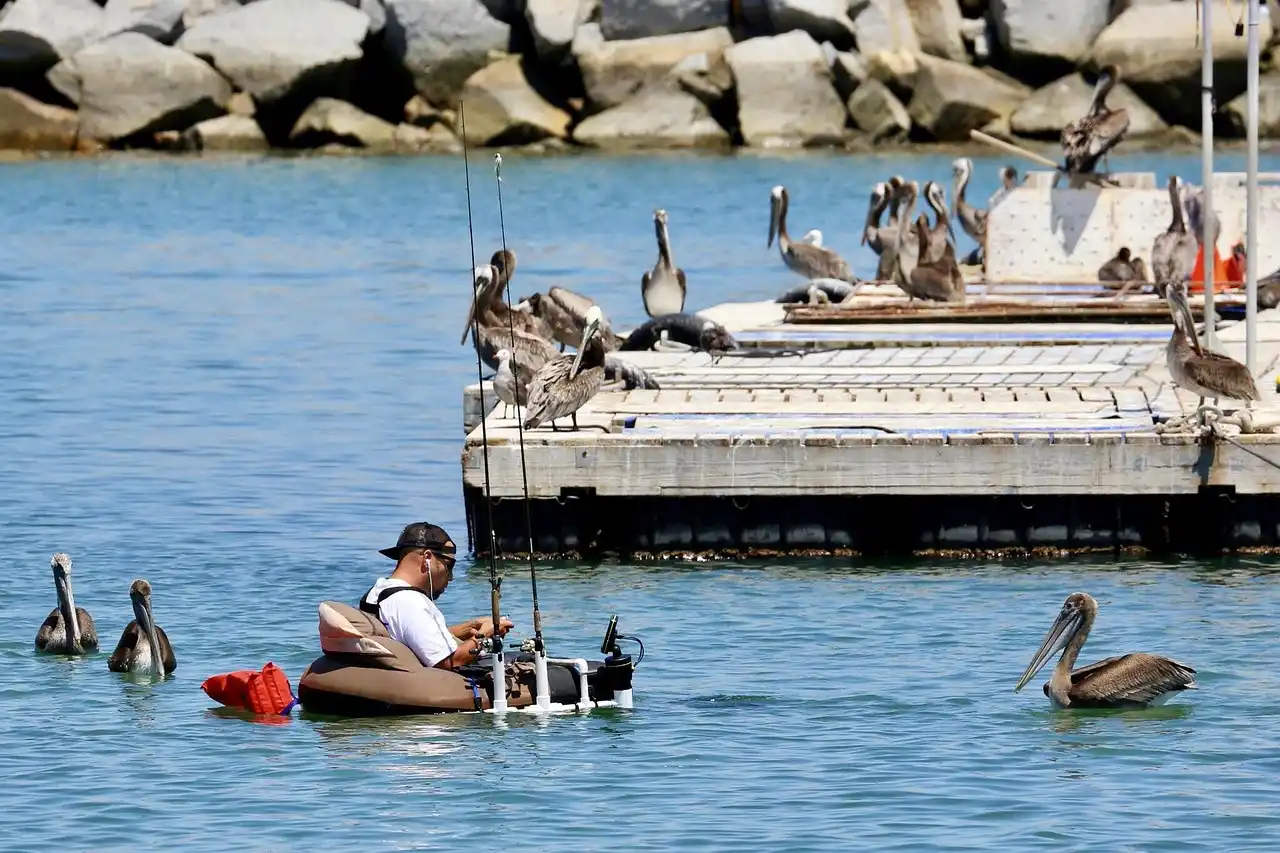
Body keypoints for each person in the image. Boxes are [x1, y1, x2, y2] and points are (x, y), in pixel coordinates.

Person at [360, 522, 513, 670]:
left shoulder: (379, 591)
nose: (451, 577)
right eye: (449, 565)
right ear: (427, 557)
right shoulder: (411, 602)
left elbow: (412, 635)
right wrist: (484, 635)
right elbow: (449, 663)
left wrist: (468, 628)